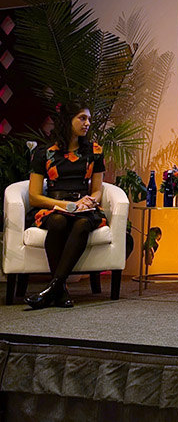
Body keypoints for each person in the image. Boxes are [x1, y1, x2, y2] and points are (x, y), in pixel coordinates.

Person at [24, 101, 106, 310]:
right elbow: (34, 196)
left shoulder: (94, 151)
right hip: (54, 206)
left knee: (82, 224)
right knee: (59, 221)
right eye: (82, 118)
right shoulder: (44, 153)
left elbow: (97, 189)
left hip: (84, 208)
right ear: (67, 120)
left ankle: (54, 289)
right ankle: (59, 290)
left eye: (89, 119)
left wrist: (90, 201)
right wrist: (67, 205)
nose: (87, 123)